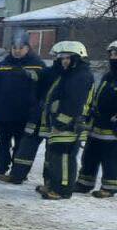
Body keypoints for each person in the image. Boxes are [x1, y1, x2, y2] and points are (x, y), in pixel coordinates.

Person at [37, 41, 94, 200]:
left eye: (68, 58)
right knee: (55, 156)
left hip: (69, 125)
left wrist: (61, 123)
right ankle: (54, 185)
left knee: (63, 157)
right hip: (63, 123)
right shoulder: (71, 74)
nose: (64, 61)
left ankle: (62, 190)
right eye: (62, 58)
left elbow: (74, 103)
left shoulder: (80, 76)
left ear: (78, 58)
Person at [0, 41, 45, 179]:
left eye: (21, 48)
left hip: (25, 113)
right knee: (2, 142)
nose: (17, 51)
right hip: (3, 111)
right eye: (14, 48)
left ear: (28, 49)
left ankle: (18, 171)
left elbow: (44, 89)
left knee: (21, 144)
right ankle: (0, 168)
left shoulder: (38, 65)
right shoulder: (2, 66)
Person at [76, 39, 117, 198]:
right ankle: (84, 183)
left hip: (113, 125)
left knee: (111, 157)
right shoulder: (108, 76)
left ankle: (110, 186)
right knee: (90, 154)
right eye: (111, 54)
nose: (113, 57)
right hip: (98, 122)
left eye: (116, 54)